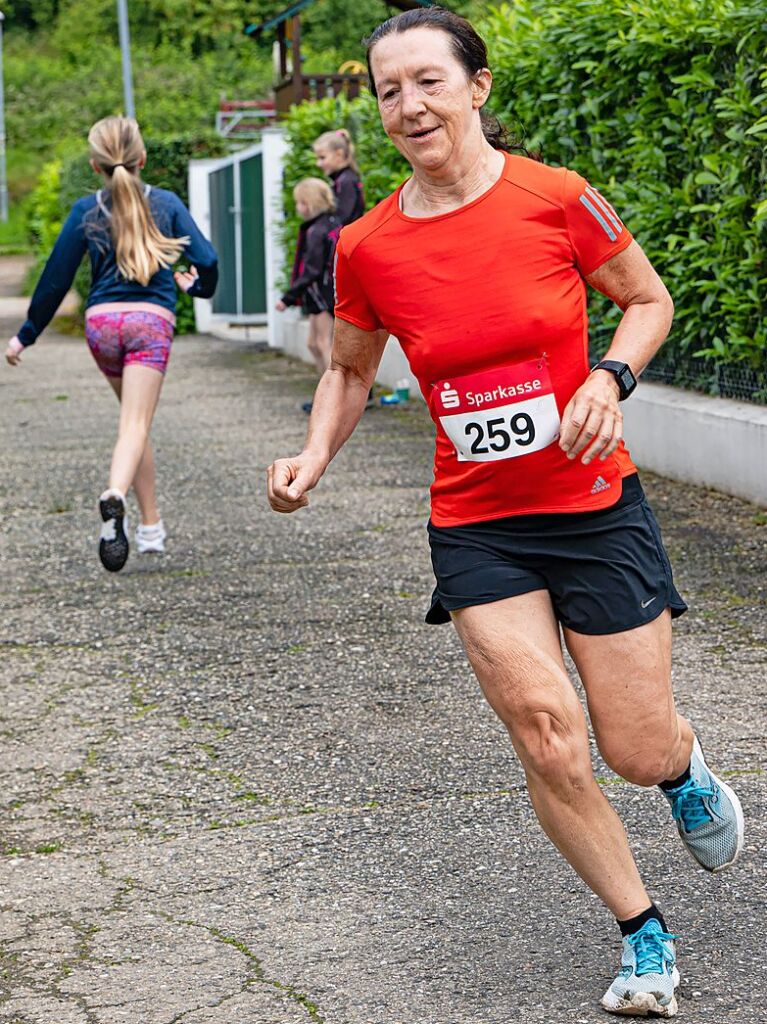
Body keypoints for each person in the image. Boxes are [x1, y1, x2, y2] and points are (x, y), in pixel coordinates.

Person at [267, 7, 744, 1019]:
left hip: (592, 503)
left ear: (476, 87)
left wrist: (609, 377)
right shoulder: (368, 245)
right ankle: (641, 934)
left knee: (629, 742)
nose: (408, 105)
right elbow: (349, 373)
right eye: (389, 90)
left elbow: (647, 301)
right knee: (542, 730)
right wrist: (313, 453)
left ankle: (680, 767)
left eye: (428, 81)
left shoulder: (555, 198)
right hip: (477, 522)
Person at [5, 115, 218, 573]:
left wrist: (25, 336)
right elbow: (208, 258)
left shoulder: (87, 210)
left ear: (94, 165)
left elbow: (54, 280)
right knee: (135, 425)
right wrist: (199, 289)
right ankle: (114, 496)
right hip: (148, 323)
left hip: (102, 326)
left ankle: (151, 527)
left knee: (133, 424)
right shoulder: (165, 203)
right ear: (142, 159)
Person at [276, 178, 340, 411]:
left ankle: (333, 399)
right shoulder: (332, 223)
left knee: (323, 344)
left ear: (309, 203)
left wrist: (288, 297)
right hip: (323, 292)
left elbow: (311, 270)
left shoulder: (316, 230)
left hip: (320, 294)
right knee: (314, 343)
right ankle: (328, 393)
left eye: (300, 203)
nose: (298, 208)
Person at [313, 128, 365, 227]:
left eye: (322, 158)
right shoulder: (342, 179)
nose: (318, 164)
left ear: (339, 154)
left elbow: (343, 219)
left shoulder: (346, 181)